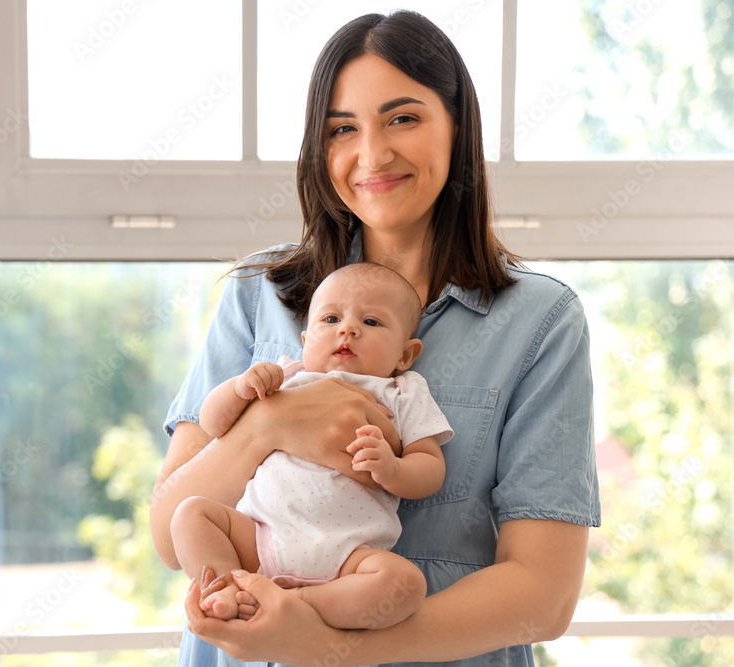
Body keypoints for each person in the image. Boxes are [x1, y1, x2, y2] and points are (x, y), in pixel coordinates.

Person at [150, 9, 600, 666]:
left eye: (403, 118)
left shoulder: (539, 322)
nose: (372, 154)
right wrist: (265, 426)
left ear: (457, 126)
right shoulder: (259, 294)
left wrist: (327, 645)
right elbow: (170, 534)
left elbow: (543, 595)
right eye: (342, 128)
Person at [171, 262, 453, 630]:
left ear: (405, 354)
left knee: (406, 585)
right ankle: (225, 585)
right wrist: (240, 388)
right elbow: (213, 423)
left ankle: (294, 603)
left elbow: (430, 468)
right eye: (331, 319)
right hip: (262, 536)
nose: (347, 329)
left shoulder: (403, 392)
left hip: (348, 555)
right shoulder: (287, 375)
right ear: (305, 341)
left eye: (371, 322)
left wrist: (394, 469)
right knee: (190, 514)